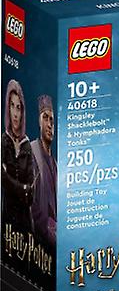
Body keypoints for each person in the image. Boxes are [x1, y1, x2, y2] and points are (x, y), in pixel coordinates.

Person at [1, 79, 34, 234]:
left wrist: (25, 190)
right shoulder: (3, 141)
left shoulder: (27, 145)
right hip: (8, 217)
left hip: (25, 220)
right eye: (12, 106)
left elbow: (31, 193)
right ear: (8, 109)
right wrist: (22, 189)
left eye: (18, 108)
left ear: (23, 112)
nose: (15, 113)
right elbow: (2, 179)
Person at [31, 95, 57, 247]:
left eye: (52, 120)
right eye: (45, 118)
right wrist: (48, 229)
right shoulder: (31, 151)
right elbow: (29, 202)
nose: (49, 124)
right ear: (39, 122)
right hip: (38, 239)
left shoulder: (56, 165)